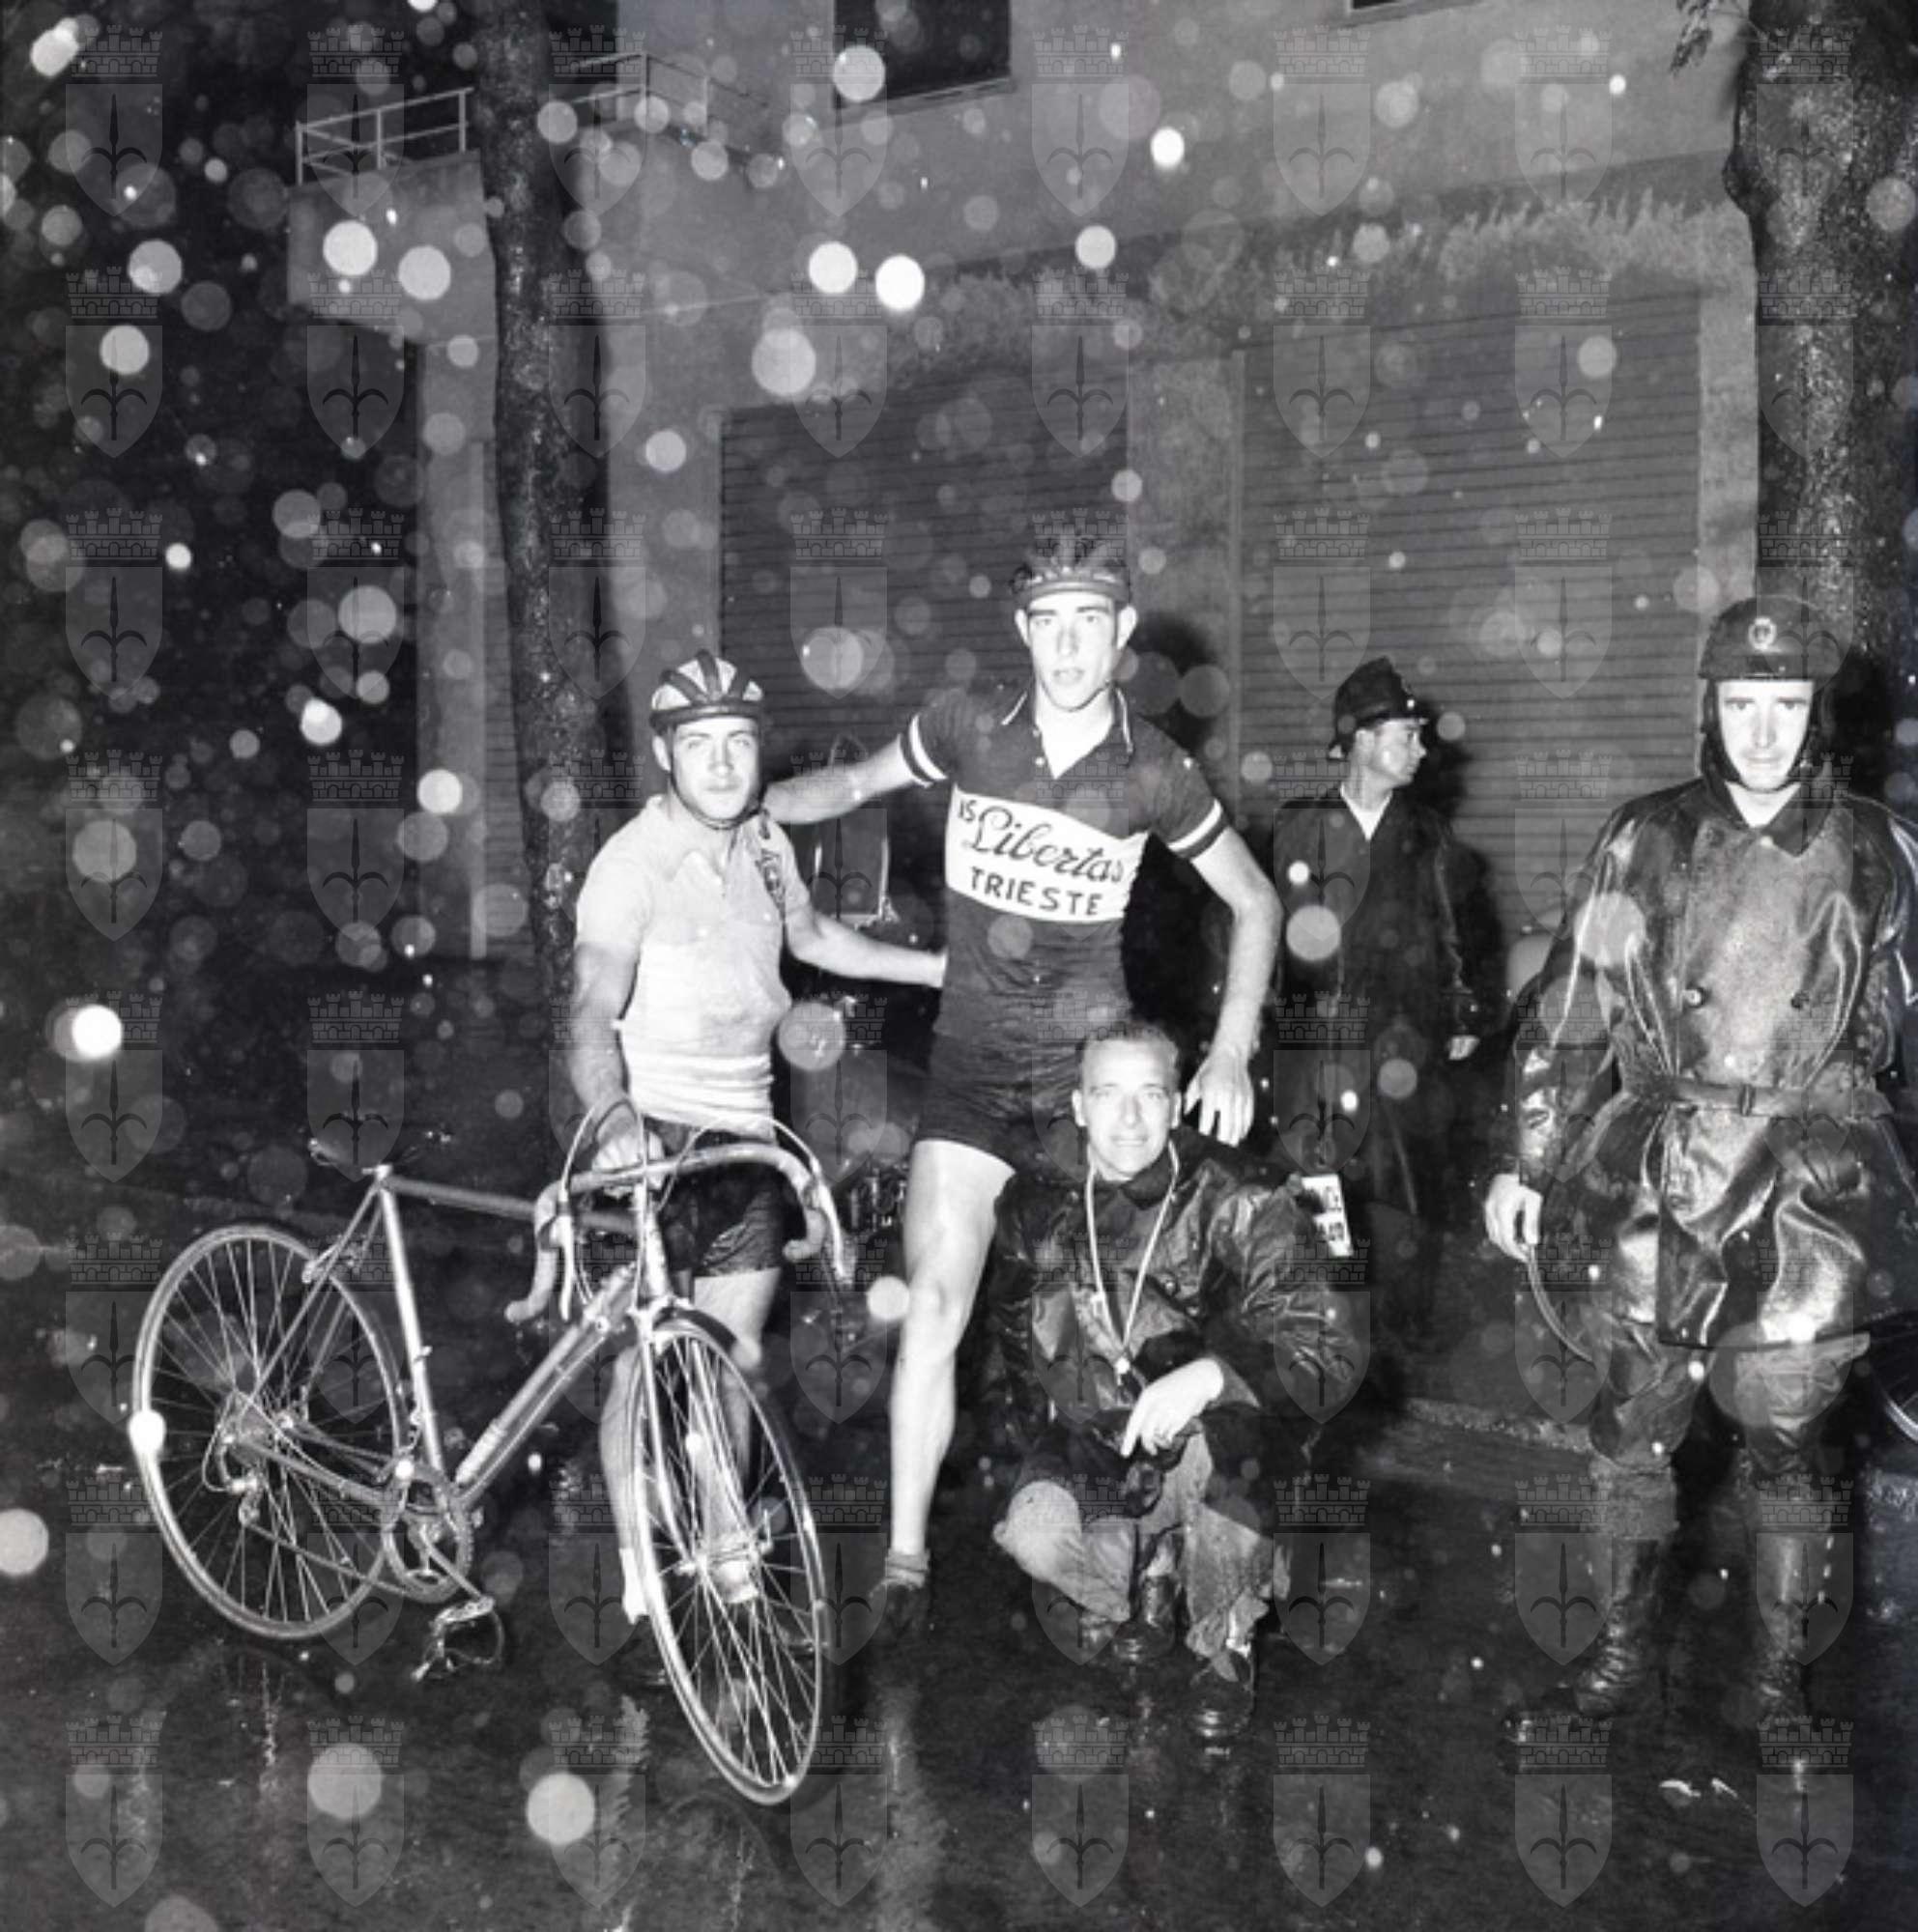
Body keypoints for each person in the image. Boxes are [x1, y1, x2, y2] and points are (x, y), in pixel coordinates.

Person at [764, 518, 1282, 1640]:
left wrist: (1232, 1046)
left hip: (1083, 1091)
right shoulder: (966, 726)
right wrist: (743, 810)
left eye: (1089, 622)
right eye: (1048, 623)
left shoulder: (1152, 766)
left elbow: (1254, 899)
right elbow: (848, 782)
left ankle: (1160, 1543)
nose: (1067, 646)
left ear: (1122, 629)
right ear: (1021, 628)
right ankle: (905, 1563)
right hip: (969, 1073)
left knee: (1122, 1322)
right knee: (933, 1306)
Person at [1483, 595, 1918, 1719]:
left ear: (1815, 712)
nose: (1762, 732)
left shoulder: (1877, 848)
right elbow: (1569, 1010)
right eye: (1739, 705)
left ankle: (1777, 1681)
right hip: (1658, 1183)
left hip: (1810, 1197)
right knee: (1630, 1435)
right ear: (1709, 709)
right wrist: (1526, 1156)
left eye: (1785, 705)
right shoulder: (1642, 836)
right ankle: (1619, 1654)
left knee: (1786, 1443)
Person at [565, 649, 943, 1632]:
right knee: (639, 1365)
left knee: (727, 1360)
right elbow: (591, 1007)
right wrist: (612, 1115)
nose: (725, 763)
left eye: (738, 742)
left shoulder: (766, 840)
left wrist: (939, 969)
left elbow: (813, 941)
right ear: (665, 755)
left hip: (741, 1141)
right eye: (700, 745)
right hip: (649, 1142)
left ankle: (727, 1554)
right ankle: (639, 1576)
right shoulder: (630, 866)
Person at [987, 1018, 1329, 1741]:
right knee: (1033, 1535)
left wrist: (1213, 1373)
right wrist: (1034, 1445)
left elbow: (1316, 1342)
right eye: (1107, 1094)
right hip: (1101, 1438)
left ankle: (1225, 1640)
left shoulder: (1241, 1195)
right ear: (1078, 1106)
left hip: (1219, 1435)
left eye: (1149, 1095)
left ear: (1176, 1105)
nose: (1129, 1119)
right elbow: (1017, 1335)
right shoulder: (1035, 1201)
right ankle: (1151, 1567)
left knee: (1228, 1456)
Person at [1267, 657, 1481, 1338]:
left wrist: (1461, 1009)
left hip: (1399, 1043)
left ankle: (1399, 1332)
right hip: (1313, 1041)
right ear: (1360, 739)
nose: (1421, 750)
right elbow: (1260, 928)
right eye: (1406, 736)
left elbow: (1450, 929)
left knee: (1401, 1186)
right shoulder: (1297, 826)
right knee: (1318, 1183)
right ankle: (1328, 1320)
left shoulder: (1426, 835)